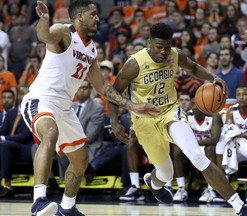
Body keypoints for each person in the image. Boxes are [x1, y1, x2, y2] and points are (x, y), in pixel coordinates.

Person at [21, 1, 158, 216]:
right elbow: (45, 36)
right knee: (50, 132)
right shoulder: (64, 33)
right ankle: (39, 201)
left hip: (65, 107)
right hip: (42, 99)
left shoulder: (91, 49)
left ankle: (67, 207)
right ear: (80, 16)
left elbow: (102, 86)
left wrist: (132, 106)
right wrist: (44, 21)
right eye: (93, 14)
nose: (97, 18)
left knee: (81, 159)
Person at [109, 22, 247, 216]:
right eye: (159, 47)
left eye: (167, 46)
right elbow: (113, 93)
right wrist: (114, 121)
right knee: (166, 173)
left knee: (196, 155)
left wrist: (212, 77)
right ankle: (154, 183)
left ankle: (240, 207)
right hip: (145, 121)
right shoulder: (134, 64)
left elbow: (193, 67)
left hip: (171, 112)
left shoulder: (175, 54)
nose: (164, 52)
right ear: (149, 43)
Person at [0, 86, 34, 198]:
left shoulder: (33, 112)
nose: (24, 96)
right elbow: (3, 131)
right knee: (4, 145)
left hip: (27, 149)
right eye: (22, 93)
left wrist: (4, 139)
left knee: (4, 144)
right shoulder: (11, 113)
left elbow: (25, 135)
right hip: (9, 149)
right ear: (18, 96)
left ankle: (7, 185)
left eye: (26, 93)